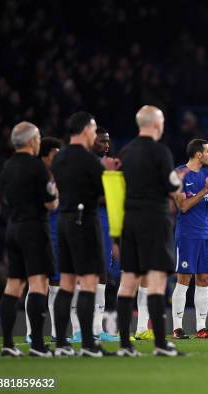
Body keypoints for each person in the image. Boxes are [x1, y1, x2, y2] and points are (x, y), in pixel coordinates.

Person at [117, 105, 185, 357]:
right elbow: (171, 185)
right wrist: (177, 182)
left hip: (129, 220)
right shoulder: (159, 151)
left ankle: (125, 345)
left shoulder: (127, 151)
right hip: (154, 219)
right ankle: (160, 344)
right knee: (156, 282)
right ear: (156, 124)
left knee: (128, 283)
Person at [52, 112, 118, 357]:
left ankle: (61, 343)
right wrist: (110, 173)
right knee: (90, 283)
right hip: (85, 223)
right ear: (84, 130)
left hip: (64, 221)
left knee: (67, 284)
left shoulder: (59, 158)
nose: (94, 135)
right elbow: (105, 195)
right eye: (92, 130)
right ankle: (89, 344)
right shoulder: (90, 161)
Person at [0, 122, 58, 357]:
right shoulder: (37, 167)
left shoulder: (6, 167)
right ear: (32, 141)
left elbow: (4, 198)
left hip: (12, 228)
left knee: (14, 284)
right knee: (38, 284)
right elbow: (50, 203)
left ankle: (7, 344)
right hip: (34, 228)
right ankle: (38, 345)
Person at [171, 139, 208, 339]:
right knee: (184, 279)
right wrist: (205, 188)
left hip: (206, 235)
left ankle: (201, 328)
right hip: (187, 234)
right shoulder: (179, 174)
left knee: (204, 279)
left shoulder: (207, 175)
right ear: (197, 154)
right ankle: (177, 328)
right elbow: (183, 206)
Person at [24, 137, 62, 344]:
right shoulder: (36, 174)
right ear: (46, 155)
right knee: (38, 282)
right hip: (38, 232)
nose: (58, 158)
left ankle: (57, 331)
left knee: (56, 282)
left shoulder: (58, 176)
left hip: (56, 235)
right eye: (55, 154)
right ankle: (31, 332)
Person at [87, 127, 120, 342]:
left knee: (103, 274)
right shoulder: (86, 164)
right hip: (88, 221)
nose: (106, 145)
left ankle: (97, 327)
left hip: (106, 223)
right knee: (82, 276)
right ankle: (81, 328)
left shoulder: (108, 165)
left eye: (107, 141)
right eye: (101, 141)